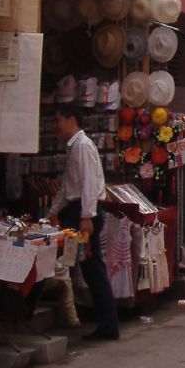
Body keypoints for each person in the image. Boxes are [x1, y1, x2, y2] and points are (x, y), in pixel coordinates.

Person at [48, 105, 120, 341]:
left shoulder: (82, 146)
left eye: (58, 120)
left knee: (92, 268)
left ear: (71, 120)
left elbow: (88, 184)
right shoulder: (75, 147)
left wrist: (87, 216)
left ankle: (108, 324)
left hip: (83, 213)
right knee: (86, 268)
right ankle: (103, 322)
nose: (55, 126)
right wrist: (51, 213)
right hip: (76, 211)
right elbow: (69, 187)